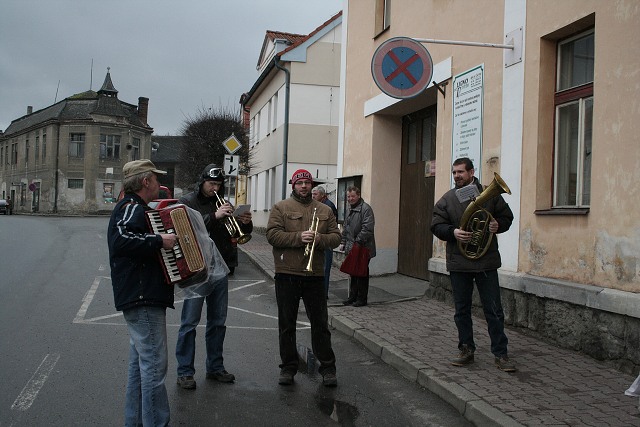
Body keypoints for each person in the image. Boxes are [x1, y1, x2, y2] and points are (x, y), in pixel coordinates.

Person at [107, 159, 177, 426]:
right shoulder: (130, 207)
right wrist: (160, 240)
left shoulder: (136, 208)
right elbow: (120, 239)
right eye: (156, 180)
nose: (160, 184)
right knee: (155, 368)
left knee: (141, 368)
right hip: (142, 296)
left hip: (143, 295)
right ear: (145, 181)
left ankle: (134, 421)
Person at [430, 157, 516, 372]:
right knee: (462, 310)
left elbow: (507, 217)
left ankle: (501, 354)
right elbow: (436, 224)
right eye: (454, 173)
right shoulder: (447, 199)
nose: (457, 176)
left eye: (460, 172)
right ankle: (466, 349)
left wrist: (498, 225)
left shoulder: (489, 193)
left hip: (486, 262)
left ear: (471, 172)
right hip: (460, 263)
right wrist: (453, 232)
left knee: (494, 310)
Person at [175, 164, 253, 389]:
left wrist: (244, 224)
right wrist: (214, 216)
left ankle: (215, 367)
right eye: (211, 184)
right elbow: (187, 231)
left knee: (218, 322)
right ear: (202, 182)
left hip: (220, 268)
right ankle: (185, 372)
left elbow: (235, 233)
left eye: (219, 184)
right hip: (197, 269)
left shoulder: (224, 203)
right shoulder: (187, 202)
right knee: (189, 323)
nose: (215, 188)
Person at [266, 169, 341, 387]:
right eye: (300, 183)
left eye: (307, 183)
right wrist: (299, 237)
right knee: (287, 324)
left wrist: (320, 239)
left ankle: (327, 367)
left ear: (312, 185)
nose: (304, 186)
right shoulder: (281, 207)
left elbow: (336, 237)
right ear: (293, 186)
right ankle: (288, 368)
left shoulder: (325, 209)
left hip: (314, 274)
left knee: (320, 324)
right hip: (287, 273)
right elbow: (272, 235)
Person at [340, 186, 376, 307]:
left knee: (361, 274)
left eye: (352, 196)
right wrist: (343, 242)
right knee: (353, 273)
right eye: (348, 196)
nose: (350, 199)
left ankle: (361, 299)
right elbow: (346, 228)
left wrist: (358, 242)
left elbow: (368, 228)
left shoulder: (366, 209)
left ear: (358, 195)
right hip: (352, 247)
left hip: (363, 248)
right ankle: (352, 297)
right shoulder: (350, 209)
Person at [311, 185, 338, 298]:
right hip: (318, 241)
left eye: (315, 194)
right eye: (312, 194)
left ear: (322, 195)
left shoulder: (328, 207)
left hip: (325, 242)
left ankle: (323, 294)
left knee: (325, 269)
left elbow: (330, 227)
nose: (313, 196)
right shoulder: (319, 205)